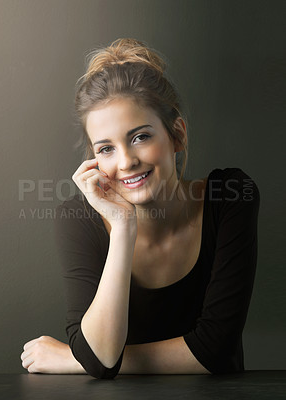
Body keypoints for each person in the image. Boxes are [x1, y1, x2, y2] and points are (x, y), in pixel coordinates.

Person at [20, 38, 260, 379]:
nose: (126, 162)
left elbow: (215, 350)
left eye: (140, 137)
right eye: (106, 149)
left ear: (177, 135)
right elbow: (102, 356)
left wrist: (74, 359)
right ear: (94, 161)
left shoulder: (231, 197)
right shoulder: (79, 220)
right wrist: (122, 227)